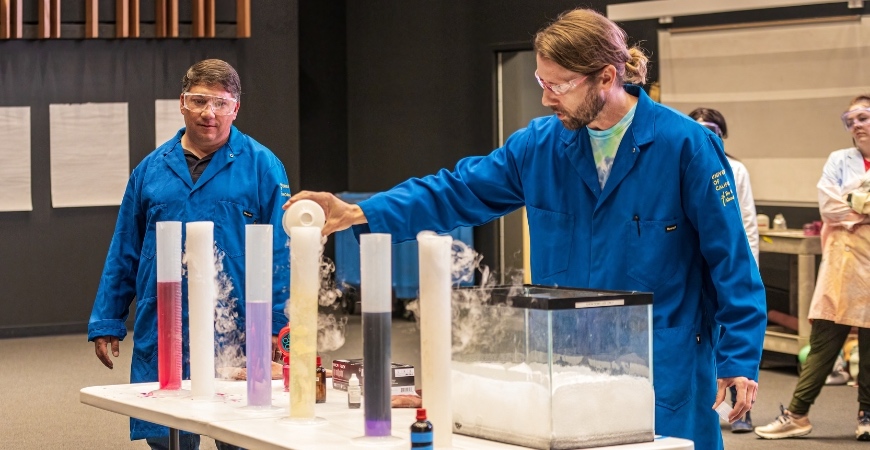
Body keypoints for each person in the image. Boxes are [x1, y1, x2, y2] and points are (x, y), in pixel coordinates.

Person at [286, 8, 766, 450]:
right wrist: (361, 212)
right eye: (542, 80)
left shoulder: (686, 146)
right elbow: (454, 190)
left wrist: (739, 356)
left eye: (560, 84)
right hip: (567, 360)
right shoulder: (538, 146)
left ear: (607, 77)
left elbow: (731, 259)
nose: (544, 96)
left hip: (665, 361)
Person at [87, 59, 290, 450]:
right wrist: (107, 318)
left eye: (220, 103)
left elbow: (281, 255)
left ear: (236, 108)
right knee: (168, 432)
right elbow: (125, 247)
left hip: (240, 326)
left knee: (243, 433)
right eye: (199, 100)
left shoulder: (264, 166)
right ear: (182, 102)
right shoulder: (150, 170)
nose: (208, 113)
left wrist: (280, 328)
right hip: (167, 323)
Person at [755, 95, 870, 441]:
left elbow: (842, 205)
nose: (857, 125)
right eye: (851, 120)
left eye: (864, 117)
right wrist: (862, 207)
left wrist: (853, 202)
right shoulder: (839, 160)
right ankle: (798, 414)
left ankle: (867, 415)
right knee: (823, 342)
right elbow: (828, 206)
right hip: (842, 266)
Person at [689, 107, 759, 433]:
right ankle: (716, 400)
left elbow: (745, 225)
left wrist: (749, 270)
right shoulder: (688, 162)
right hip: (699, 270)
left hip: (730, 266)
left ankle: (743, 408)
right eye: (700, 127)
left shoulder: (736, 169)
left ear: (723, 133)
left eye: (713, 128)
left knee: (737, 334)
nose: (708, 133)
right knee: (709, 339)